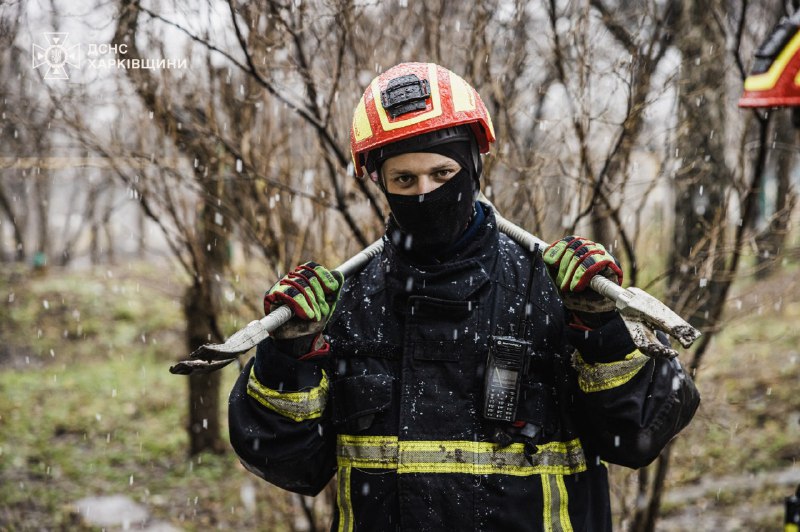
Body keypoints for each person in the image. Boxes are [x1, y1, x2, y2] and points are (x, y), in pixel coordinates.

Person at [228, 62, 699, 531]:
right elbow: (288, 463)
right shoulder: (347, 306)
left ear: (474, 165)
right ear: (381, 184)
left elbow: (638, 436)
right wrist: (289, 353)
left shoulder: (555, 290)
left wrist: (599, 328)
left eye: (442, 172)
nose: (426, 193)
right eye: (404, 180)